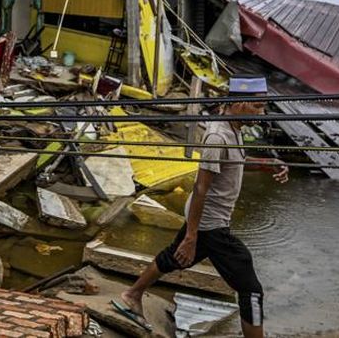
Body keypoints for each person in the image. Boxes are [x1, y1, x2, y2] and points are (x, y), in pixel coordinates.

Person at [117, 77, 288, 337]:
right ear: (240, 104)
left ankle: (132, 295)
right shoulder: (217, 137)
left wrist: (266, 163)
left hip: (207, 220)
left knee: (173, 258)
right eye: (258, 107)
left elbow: (234, 162)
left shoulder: (233, 128)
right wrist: (192, 236)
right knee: (250, 289)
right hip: (211, 224)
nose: (261, 113)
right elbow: (200, 188)